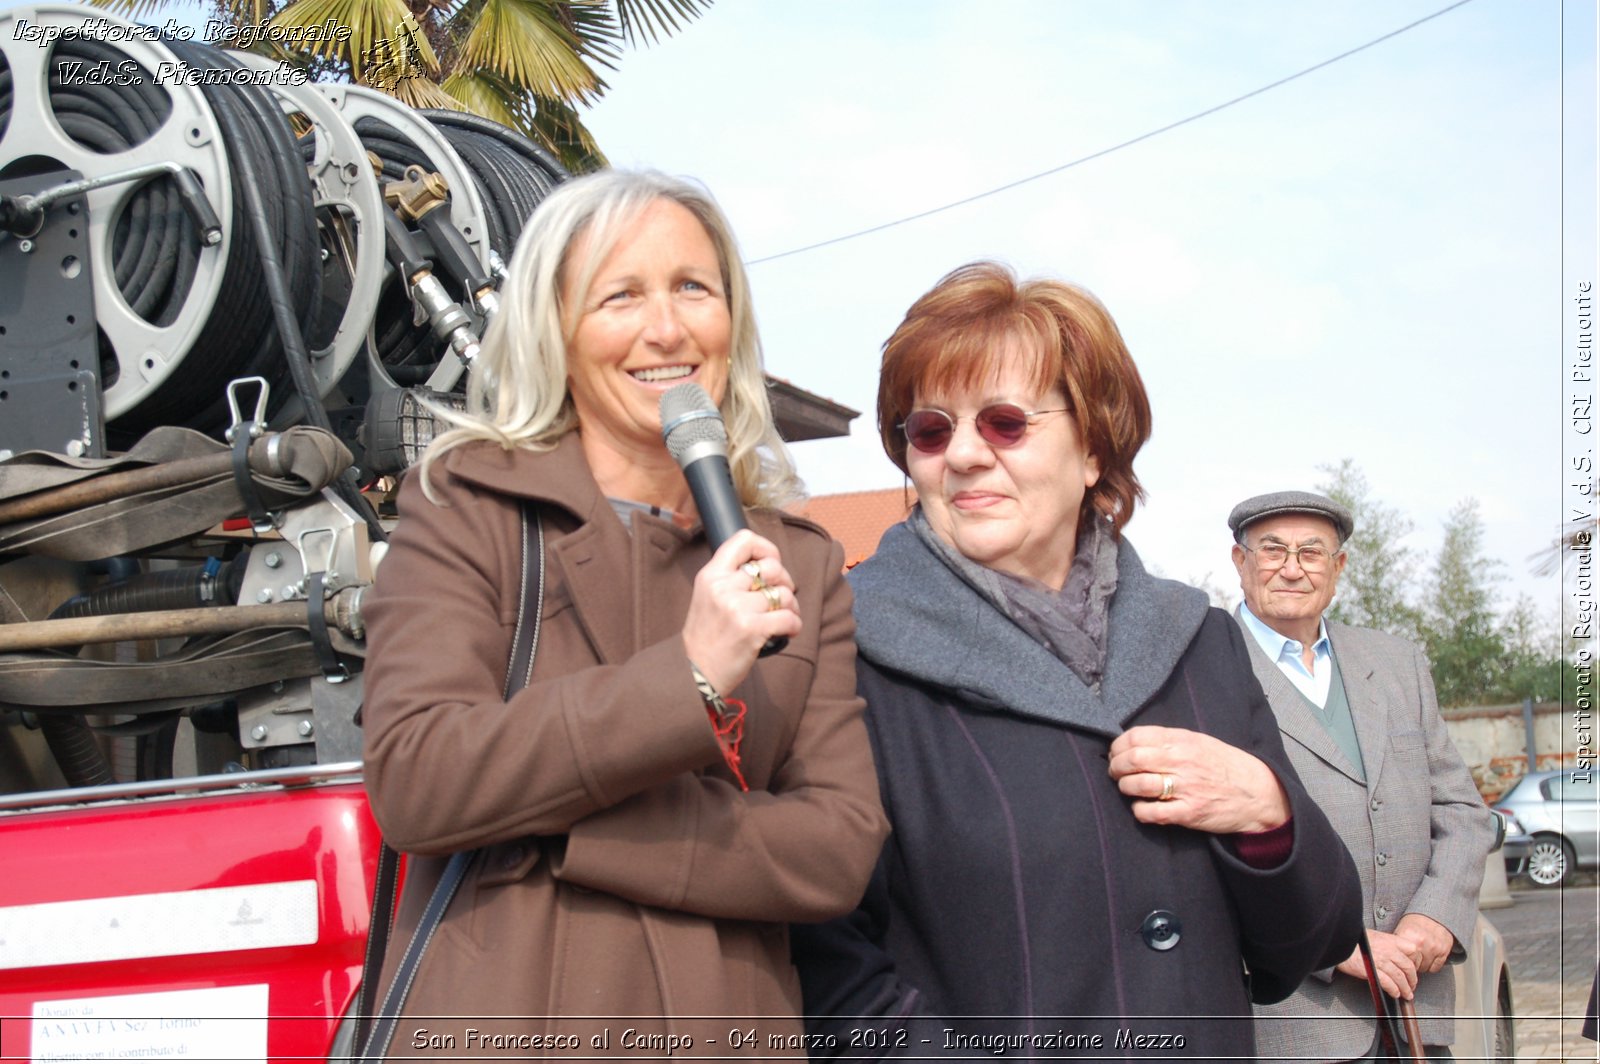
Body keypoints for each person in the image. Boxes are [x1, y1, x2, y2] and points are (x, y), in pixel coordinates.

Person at [360, 169, 888, 1057]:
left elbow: (836, 848)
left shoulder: (797, 559)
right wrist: (685, 678)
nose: (667, 328)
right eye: (621, 296)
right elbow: (418, 779)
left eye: (694, 288)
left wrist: (566, 832)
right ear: (555, 332)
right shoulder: (467, 506)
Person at [791, 261, 1362, 1059]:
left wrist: (1267, 817)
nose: (960, 455)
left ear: (1093, 447)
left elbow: (1313, 939)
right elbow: (827, 975)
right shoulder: (847, 655)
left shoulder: (1200, 642)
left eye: (1004, 423)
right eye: (929, 429)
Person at [1228, 490, 1495, 1061]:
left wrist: (1434, 918)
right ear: (1239, 561)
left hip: (1413, 1015)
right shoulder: (1204, 669)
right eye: (1272, 550)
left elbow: (1461, 811)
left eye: (1312, 552)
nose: (1293, 568)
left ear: (1339, 566)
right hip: (1286, 1023)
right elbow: (1195, 849)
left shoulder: (1397, 662)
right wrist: (1329, 943)